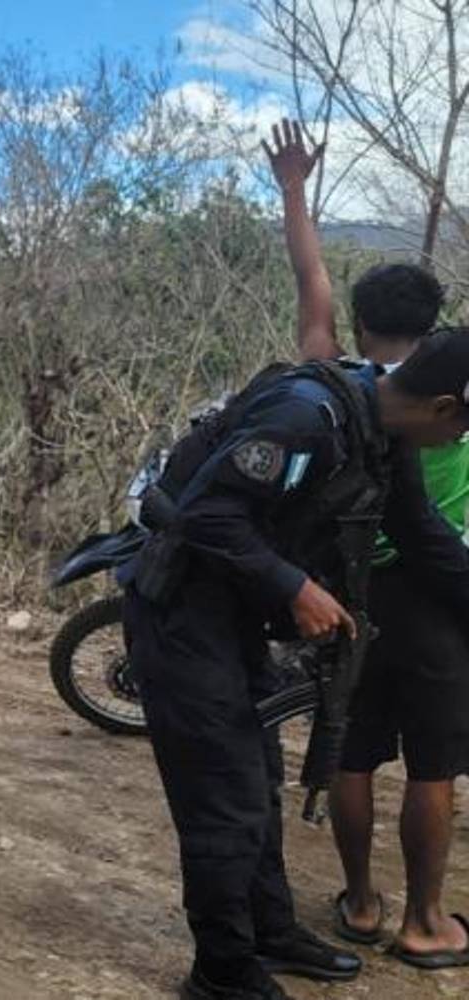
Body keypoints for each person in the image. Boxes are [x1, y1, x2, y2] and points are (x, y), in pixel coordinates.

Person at [120, 330, 469, 1000]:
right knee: (224, 799)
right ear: (444, 407)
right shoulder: (306, 417)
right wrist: (295, 587)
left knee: (259, 780)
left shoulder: (382, 428)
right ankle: (220, 972)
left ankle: (269, 929)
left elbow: (422, 534)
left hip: (235, 614)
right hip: (182, 614)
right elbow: (205, 515)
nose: (460, 444)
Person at [266, 119, 469, 969]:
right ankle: (426, 924)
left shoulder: (335, 380)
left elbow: (310, 276)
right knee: (433, 766)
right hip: (438, 602)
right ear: (437, 320)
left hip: (342, 598)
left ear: (359, 321)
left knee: (349, 748)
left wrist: (294, 189)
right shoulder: (448, 397)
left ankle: (357, 904)